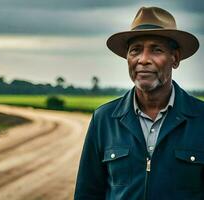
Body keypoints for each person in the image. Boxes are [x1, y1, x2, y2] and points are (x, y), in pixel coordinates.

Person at [74, 6, 203, 200]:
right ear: (127, 58)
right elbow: (88, 193)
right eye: (135, 50)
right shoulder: (104, 118)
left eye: (156, 50)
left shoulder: (200, 118)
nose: (143, 60)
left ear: (174, 58)